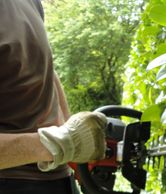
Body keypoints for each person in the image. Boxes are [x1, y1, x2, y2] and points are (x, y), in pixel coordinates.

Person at [0, 0, 107, 193]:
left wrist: (69, 129)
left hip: (58, 177)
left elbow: (46, 68)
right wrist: (57, 143)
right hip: (12, 181)